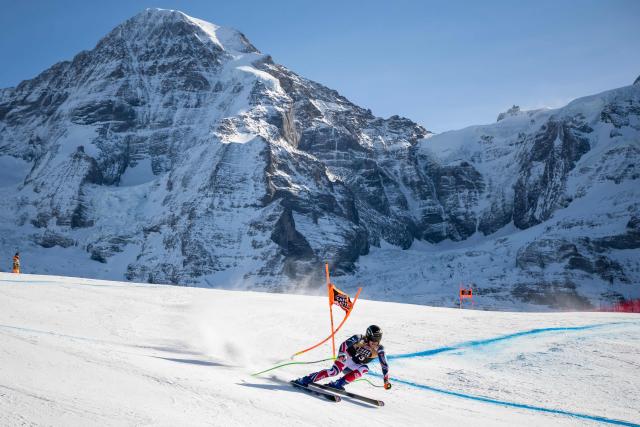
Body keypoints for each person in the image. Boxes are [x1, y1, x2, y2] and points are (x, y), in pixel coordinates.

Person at [294, 325, 391, 390]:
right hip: (346, 358)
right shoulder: (359, 338)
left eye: (378, 340)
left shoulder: (379, 349)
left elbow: (384, 365)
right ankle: (305, 379)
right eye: (373, 340)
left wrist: (386, 380)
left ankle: (338, 384)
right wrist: (341, 354)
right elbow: (344, 344)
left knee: (365, 368)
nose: (375, 343)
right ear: (368, 337)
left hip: (354, 366)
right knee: (333, 372)